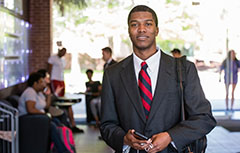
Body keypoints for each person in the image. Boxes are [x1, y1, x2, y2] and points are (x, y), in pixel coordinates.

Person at [100, 5, 216, 153]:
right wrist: (124, 138)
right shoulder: (113, 74)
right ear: (129, 30)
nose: (141, 29)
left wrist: (171, 137)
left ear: (156, 30)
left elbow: (204, 118)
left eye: (148, 24)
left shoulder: (184, 69)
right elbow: (106, 124)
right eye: (135, 24)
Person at [18, 72, 70, 153]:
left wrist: (49, 95)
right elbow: (30, 109)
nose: (44, 84)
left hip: (39, 119)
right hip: (27, 120)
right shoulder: (30, 92)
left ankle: (59, 147)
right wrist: (45, 115)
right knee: (52, 125)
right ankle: (63, 150)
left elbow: (46, 106)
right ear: (35, 83)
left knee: (56, 122)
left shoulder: (38, 93)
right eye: (41, 82)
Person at [37, 69, 84, 133]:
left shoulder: (46, 87)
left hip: (51, 105)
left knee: (69, 107)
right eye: (47, 76)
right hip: (49, 107)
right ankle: (66, 130)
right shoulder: (42, 89)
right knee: (63, 111)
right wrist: (56, 93)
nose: (49, 77)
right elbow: (47, 102)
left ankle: (72, 127)